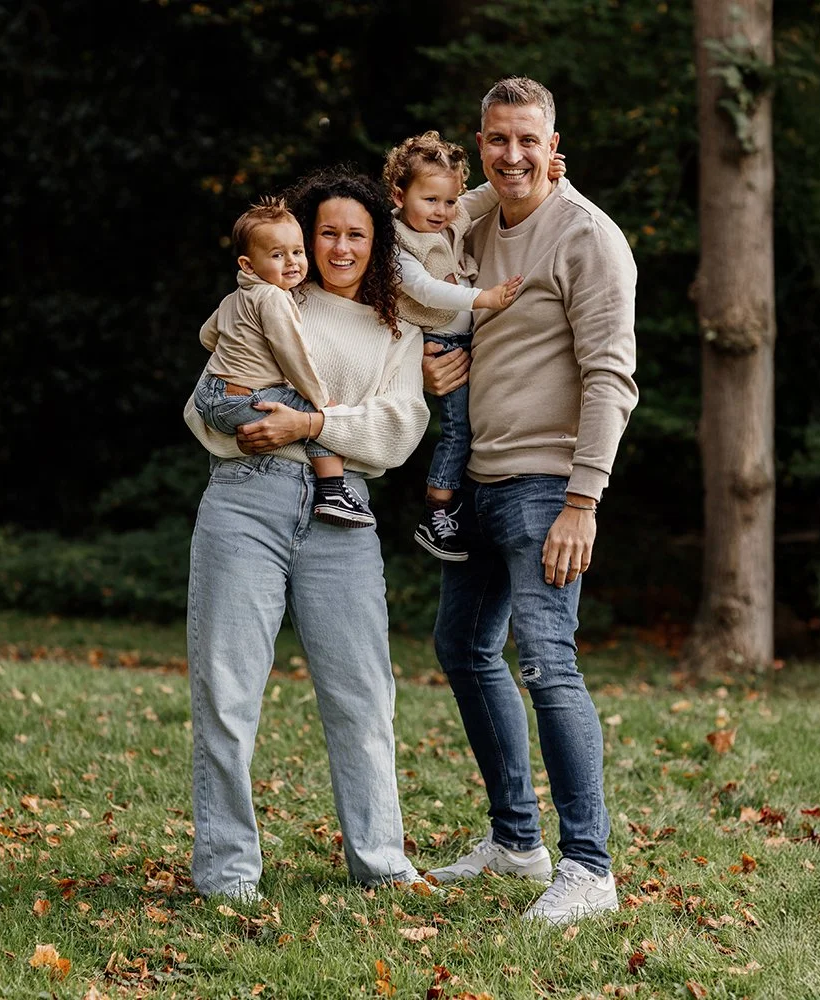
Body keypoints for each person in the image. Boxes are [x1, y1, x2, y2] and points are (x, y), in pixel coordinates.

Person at [421, 77, 639, 926]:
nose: (512, 156)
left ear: (555, 149)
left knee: (548, 663)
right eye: (496, 140)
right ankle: (516, 841)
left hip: (550, 484)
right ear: (482, 143)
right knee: (463, 647)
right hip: (478, 476)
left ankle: (589, 867)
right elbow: (415, 227)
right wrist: (430, 369)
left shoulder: (588, 238)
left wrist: (584, 498)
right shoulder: (476, 217)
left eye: (527, 141)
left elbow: (611, 377)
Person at [182, 168, 431, 901]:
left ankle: (381, 863)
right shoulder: (262, 301)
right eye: (328, 232)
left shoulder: (397, 327)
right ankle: (228, 872)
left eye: (357, 233)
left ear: (376, 241)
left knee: (362, 695)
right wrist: (256, 428)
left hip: (342, 512)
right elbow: (205, 408)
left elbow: (398, 429)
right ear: (302, 238)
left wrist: (313, 424)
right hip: (244, 501)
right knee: (226, 692)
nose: (341, 246)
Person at [382, 131, 565, 561]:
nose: (443, 212)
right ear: (398, 194)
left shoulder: (450, 218)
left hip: (467, 338)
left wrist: (546, 176)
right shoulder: (398, 244)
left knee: (475, 424)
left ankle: (459, 501)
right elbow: (425, 290)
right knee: (458, 431)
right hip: (440, 342)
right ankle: (436, 512)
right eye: (430, 201)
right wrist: (483, 297)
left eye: (449, 201)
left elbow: (485, 196)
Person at [192, 197, 375, 528]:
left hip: (209, 394)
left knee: (308, 413)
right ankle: (333, 490)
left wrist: (241, 351)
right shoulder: (274, 297)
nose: (292, 262)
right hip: (243, 397)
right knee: (317, 415)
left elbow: (207, 336)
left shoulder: (235, 297)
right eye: (277, 255)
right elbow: (293, 357)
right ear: (248, 265)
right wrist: (323, 402)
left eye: (297, 252)